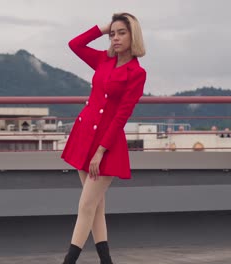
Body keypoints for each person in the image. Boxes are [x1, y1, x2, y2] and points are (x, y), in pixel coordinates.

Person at [60, 12, 146, 264]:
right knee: (96, 207)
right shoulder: (103, 60)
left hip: (106, 146)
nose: (115, 38)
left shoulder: (136, 73)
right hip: (83, 135)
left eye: (122, 32)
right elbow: (74, 44)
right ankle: (106, 261)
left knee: (86, 206)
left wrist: (100, 151)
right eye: (113, 34)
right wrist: (103, 27)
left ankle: (68, 261)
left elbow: (122, 116)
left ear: (133, 35)